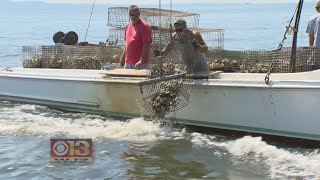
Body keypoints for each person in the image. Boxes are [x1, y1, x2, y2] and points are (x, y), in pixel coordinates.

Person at [119, 5, 153, 69]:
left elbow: (147, 44)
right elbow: (127, 44)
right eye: (132, 15)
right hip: (128, 62)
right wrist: (123, 57)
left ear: (139, 14)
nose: (134, 17)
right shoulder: (127, 26)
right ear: (129, 14)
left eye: (136, 15)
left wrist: (141, 60)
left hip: (140, 64)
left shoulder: (145, 26)